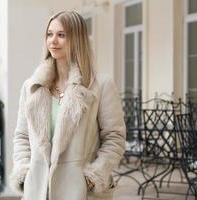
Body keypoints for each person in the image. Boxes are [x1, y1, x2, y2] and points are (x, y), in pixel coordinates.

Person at [10, 10, 126, 200]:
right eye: (50, 34)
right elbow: (21, 136)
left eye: (61, 35)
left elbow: (115, 138)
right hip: (38, 192)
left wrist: (91, 178)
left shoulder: (101, 85)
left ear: (76, 38)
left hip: (79, 194)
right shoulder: (32, 87)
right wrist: (25, 173)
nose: (53, 41)